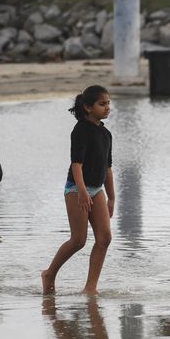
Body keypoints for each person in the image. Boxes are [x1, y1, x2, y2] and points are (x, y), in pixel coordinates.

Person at [41, 85, 115, 295]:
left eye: (108, 103)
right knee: (79, 240)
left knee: (104, 238)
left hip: (97, 189)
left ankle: (90, 287)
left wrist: (112, 198)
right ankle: (49, 274)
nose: (107, 107)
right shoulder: (81, 130)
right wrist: (81, 191)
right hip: (76, 188)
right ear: (88, 107)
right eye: (102, 104)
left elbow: (108, 168)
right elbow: (77, 164)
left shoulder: (106, 134)